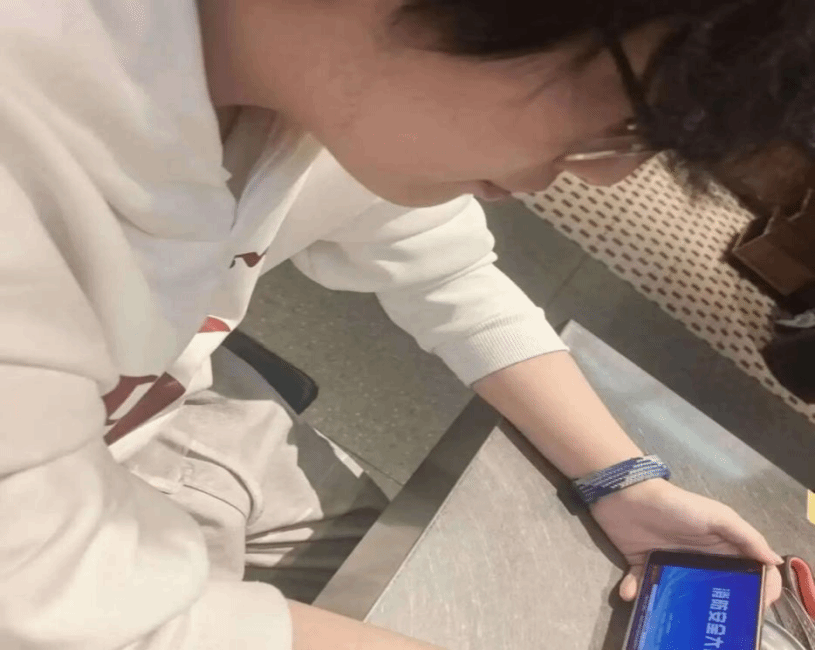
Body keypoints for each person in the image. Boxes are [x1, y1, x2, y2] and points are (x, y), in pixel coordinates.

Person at [1, 0, 812, 648]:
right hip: (66, 526)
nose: (607, 175)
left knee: (399, 553)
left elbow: (448, 270)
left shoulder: (313, 94)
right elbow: (71, 604)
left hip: (165, 414)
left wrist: (623, 481)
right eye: (630, 121)